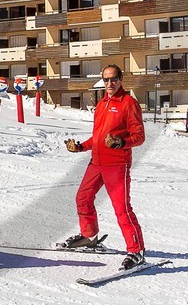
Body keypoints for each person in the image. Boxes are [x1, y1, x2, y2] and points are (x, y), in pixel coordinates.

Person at [62, 65, 147, 269]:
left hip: (117, 164)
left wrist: (121, 143)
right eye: (106, 80)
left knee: (122, 209)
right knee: (83, 197)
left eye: (113, 79)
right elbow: (99, 137)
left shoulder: (129, 103)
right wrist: (81, 147)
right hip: (97, 162)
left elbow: (139, 136)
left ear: (121, 79)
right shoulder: (102, 104)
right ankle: (89, 236)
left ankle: (137, 252)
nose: (110, 83)